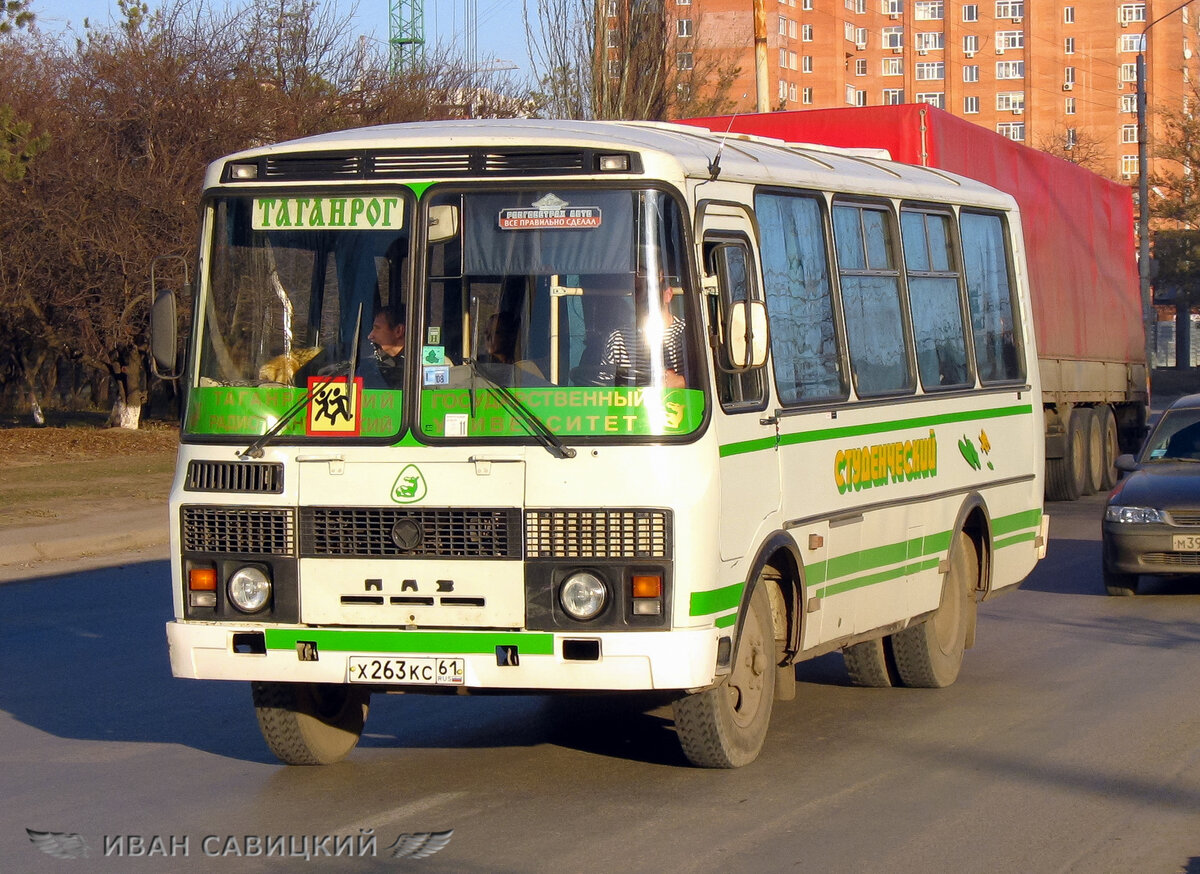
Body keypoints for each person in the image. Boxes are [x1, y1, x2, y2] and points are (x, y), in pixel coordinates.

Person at [599, 270, 687, 388]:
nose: (644, 296)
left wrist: (682, 381)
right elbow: (604, 391)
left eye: (651, 289)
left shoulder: (686, 333)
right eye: (638, 290)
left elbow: (711, 381)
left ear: (668, 294)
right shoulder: (618, 338)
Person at [361, 303, 406, 389]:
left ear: (398, 331)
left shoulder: (419, 367)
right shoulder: (372, 366)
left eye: (377, 328)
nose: (370, 336)